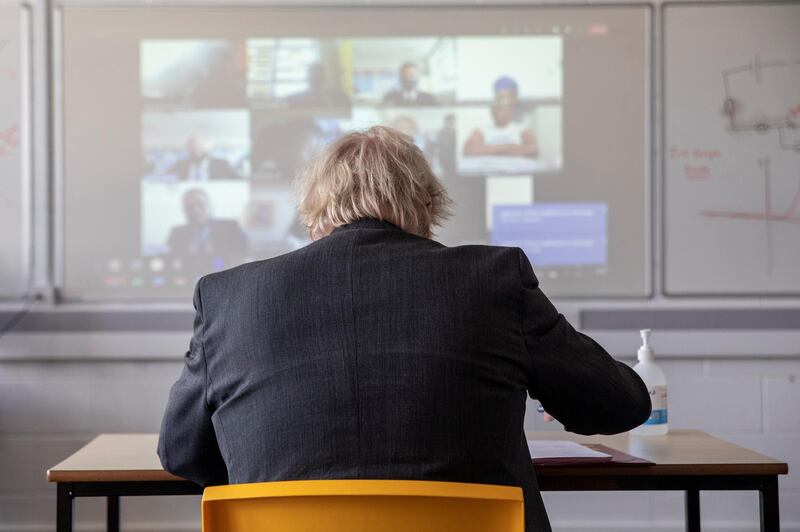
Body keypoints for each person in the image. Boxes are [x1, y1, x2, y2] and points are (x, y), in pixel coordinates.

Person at [158, 126, 650, 532]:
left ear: (312, 213)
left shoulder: (229, 296)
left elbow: (181, 452)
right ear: (429, 208)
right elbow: (619, 404)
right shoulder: (495, 279)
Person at [463, 76, 539, 158]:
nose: (501, 110)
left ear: (512, 108)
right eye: (498, 105)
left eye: (505, 106)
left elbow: (533, 149)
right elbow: (468, 150)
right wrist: (507, 147)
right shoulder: (481, 129)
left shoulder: (521, 129)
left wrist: (486, 149)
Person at [166, 188, 247, 258]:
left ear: (209, 205)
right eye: (190, 207)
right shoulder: (177, 233)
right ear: (184, 211)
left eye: (200, 204)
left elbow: (244, 255)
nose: (196, 211)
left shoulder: (230, 228)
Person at [169, 135, 241, 181]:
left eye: (200, 147)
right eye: (192, 148)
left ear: (208, 148)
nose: (196, 152)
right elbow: (164, 179)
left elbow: (239, 181)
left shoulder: (222, 164)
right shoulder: (179, 164)